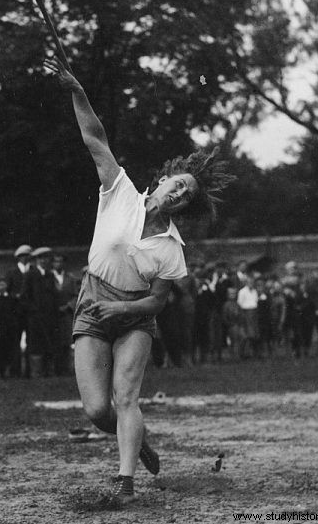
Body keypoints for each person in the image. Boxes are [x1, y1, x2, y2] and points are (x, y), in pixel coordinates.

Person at [44, 56, 234, 504]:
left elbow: (156, 304)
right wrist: (78, 91)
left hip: (134, 316)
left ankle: (125, 482)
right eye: (178, 183)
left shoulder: (171, 248)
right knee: (96, 410)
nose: (180, 191)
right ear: (164, 179)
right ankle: (138, 440)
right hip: (93, 303)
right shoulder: (120, 191)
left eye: (186, 194)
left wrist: (124, 310)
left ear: (183, 208)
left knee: (126, 397)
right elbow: (95, 137)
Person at [21, 247, 60, 378]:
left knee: (49, 342)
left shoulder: (50, 275)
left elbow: (54, 296)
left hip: (49, 317)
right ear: (36, 260)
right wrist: (34, 311)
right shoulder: (30, 275)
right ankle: (35, 372)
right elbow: (25, 297)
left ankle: (48, 370)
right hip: (35, 317)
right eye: (40, 258)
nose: (43, 261)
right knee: (35, 344)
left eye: (46, 258)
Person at [5, 244, 32, 377]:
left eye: (27, 256)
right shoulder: (11, 272)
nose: (25, 258)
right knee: (15, 342)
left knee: (30, 341)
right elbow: (6, 292)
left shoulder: (33, 271)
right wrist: (14, 296)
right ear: (19, 257)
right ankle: (15, 371)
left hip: (30, 312)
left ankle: (28, 371)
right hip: (16, 313)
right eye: (23, 256)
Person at [52, 253, 78, 376]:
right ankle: (55, 369)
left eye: (60, 261)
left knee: (67, 341)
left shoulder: (70, 278)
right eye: (56, 261)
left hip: (66, 313)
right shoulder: (48, 277)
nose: (58, 264)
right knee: (54, 341)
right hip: (52, 313)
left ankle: (66, 369)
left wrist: (68, 306)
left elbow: (75, 295)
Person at [0, 277, 19, 378]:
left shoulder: (11, 298)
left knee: (10, 350)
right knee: (0, 350)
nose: (2, 286)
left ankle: (12, 371)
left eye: (3, 284)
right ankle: (1, 371)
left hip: (10, 327)